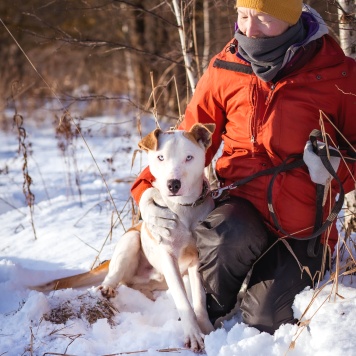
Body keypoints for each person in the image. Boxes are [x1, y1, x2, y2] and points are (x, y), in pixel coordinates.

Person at [131, 1, 356, 334]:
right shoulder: (226, 67)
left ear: (291, 19)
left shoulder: (339, 74)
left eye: (263, 19)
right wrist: (146, 192)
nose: (250, 29)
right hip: (239, 209)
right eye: (243, 16)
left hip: (303, 226)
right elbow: (187, 145)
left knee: (264, 320)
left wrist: (332, 169)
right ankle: (214, 303)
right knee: (222, 239)